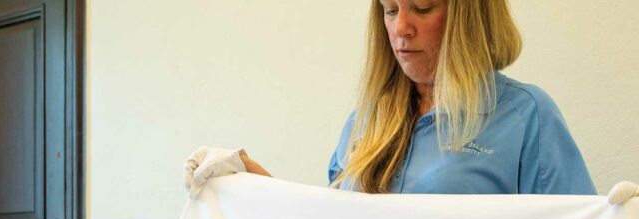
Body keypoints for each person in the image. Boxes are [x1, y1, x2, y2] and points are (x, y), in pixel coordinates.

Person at [185, 0, 595, 197]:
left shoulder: (525, 116)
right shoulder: (365, 121)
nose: (401, 28)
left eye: (422, 7)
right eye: (390, 9)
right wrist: (253, 186)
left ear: (468, 15)